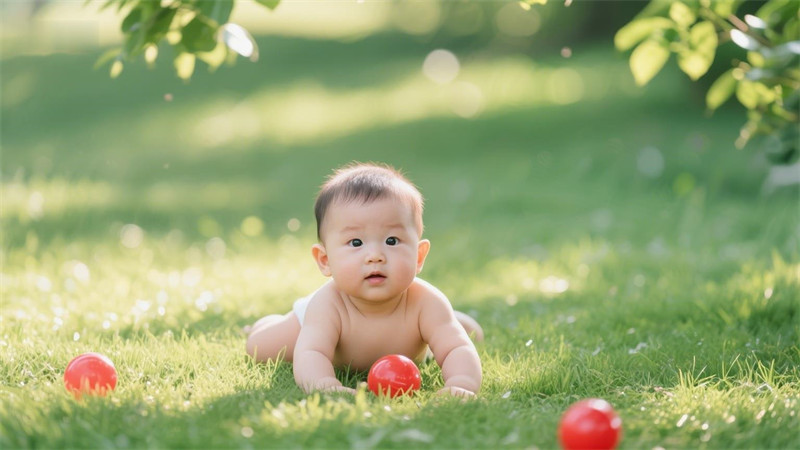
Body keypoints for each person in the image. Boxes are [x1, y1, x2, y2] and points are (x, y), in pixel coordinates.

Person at [246, 162, 483, 397]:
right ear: (325, 260)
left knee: (456, 333)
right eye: (356, 243)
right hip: (310, 323)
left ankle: (449, 322)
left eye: (392, 241)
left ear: (419, 256)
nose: (375, 256)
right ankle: (266, 323)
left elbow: (456, 349)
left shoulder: (426, 302)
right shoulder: (327, 305)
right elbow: (311, 353)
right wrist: (326, 385)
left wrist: (461, 384)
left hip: (424, 322)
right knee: (259, 347)